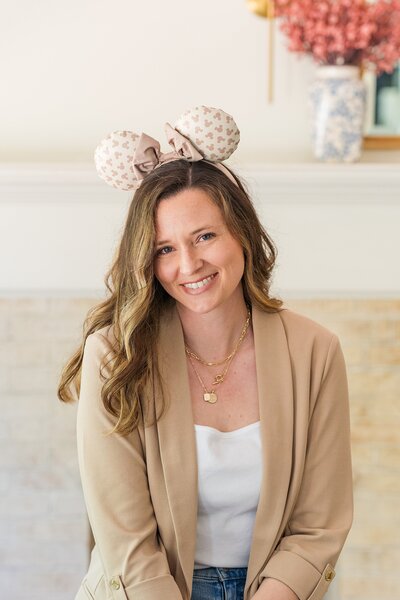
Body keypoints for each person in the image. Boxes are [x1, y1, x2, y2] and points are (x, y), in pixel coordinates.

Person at [58, 106, 354, 600]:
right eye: (165, 249)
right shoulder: (113, 353)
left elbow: (318, 525)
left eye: (205, 236)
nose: (189, 264)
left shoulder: (315, 351)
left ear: (241, 232)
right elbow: (127, 540)